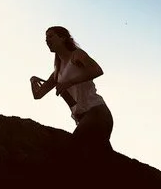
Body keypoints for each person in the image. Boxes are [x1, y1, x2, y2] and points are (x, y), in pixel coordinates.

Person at [30, 25, 114, 153]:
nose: (47, 40)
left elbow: (97, 70)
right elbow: (38, 95)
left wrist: (69, 83)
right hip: (82, 119)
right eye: (46, 38)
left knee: (72, 150)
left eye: (50, 36)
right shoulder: (57, 72)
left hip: (97, 112)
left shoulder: (76, 55)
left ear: (63, 38)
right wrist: (33, 81)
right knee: (98, 159)